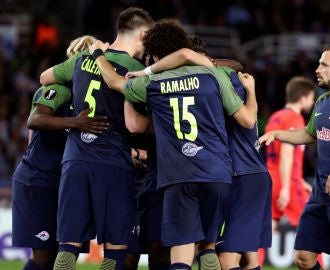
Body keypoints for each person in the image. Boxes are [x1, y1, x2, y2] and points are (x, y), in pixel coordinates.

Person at [89, 19, 257, 270]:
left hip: (178, 174)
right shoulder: (214, 74)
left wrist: (98, 55)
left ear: (156, 54)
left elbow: (115, 83)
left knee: (180, 248)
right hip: (217, 173)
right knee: (208, 248)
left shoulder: (153, 83)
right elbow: (246, 117)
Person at [127, 44, 271, 270]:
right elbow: (237, 71)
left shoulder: (198, 81)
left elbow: (248, 120)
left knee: (218, 253)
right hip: (232, 173)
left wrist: (143, 72)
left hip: (236, 173)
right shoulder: (223, 78)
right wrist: (251, 91)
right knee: (224, 252)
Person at [40, 7, 153, 270]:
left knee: (68, 246)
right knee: (115, 247)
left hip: (75, 160)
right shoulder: (137, 70)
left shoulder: (81, 59)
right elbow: (137, 124)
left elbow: (45, 78)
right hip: (112, 162)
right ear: (143, 34)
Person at [259, 44, 330, 270]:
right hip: (319, 194)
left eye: (324, 64)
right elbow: (308, 134)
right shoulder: (322, 102)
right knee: (303, 259)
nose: (317, 69)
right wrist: (276, 134)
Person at [11, 35, 108, 270]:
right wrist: (75, 123)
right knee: (44, 255)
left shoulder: (95, 97)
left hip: (69, 183)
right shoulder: (58, 89)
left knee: (64, 256)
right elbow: (34, 121)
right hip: (41, 180)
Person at [265, 76, 315, 231]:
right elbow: (286, 154)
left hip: (269, 180)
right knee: (311, 225)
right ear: (303, 98)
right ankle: (313, 257)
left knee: (266, 231)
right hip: (287, 182)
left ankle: (251, 257)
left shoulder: (275, 117)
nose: (312, 102)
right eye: (311, 98)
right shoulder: (295, 119)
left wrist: (300, 180)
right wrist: (287, 187)